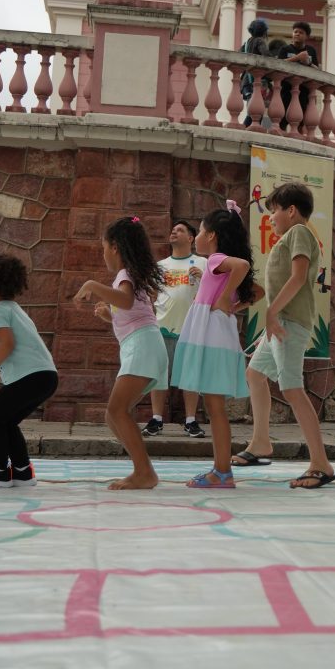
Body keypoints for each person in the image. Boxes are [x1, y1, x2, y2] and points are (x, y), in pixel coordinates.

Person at [232, 182, 335, 489]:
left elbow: (299, 276)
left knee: (292, 388)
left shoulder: (299, 233)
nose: (271, 218)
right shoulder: (291, 236)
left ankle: (321, 463)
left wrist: (272, 311)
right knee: (255, 373)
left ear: (291, 211)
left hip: (288, 322)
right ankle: (261, 443)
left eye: (275, 211)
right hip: (281, 322)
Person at [74, 216, 168, 490]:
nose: (103, 253)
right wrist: (109, 315)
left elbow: (126, 301)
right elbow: (130, 311)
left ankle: (144, 472)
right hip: (144, 346)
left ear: (114, 247)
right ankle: (142, 470)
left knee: (116, 410)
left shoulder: (125, 276)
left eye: (103, 247)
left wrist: (91, 285)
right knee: (113, 414)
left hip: (143, 347)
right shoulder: (131, 276)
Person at [171, 201, 259, 489]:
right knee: (215, 406)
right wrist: (234, 301)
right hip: (219, 334)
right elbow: (258, 291)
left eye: (201, 230)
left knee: (214, 406)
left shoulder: (213, 259)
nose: (197, 236)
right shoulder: (219, 262)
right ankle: (221, 470)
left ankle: (222, 472)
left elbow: (244, 266)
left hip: (209, 334)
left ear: (211, 235)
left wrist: (225, 298)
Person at [0, 255, 58, 489]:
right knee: (6, 420)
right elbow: (23, 353)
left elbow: (7, 345)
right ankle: (22, 471)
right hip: (45, 376)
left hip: (34, 377)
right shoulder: (16, 310)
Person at [141, 220, 207, 439]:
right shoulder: (160, 266)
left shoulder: (203, 263)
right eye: (173, 230)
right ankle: (157, 419)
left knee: (190, 376)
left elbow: (216, 291)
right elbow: (151, 293)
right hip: (162, 328)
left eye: (180, 230)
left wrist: (205, 279)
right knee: (159, 374)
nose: (174, 232)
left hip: (191, 329)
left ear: (190, 238)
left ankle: (190, 420)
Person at [278, 22, 319, 130]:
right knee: (282, 119)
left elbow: (318, 71)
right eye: (295, 32)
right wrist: (297, 58)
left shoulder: (311, 51)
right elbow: (278, 65)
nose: (297, 34)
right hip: (286, 89)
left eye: (301, 32)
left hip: (304, 91)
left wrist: (308, 63)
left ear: (307, 36)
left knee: (300, 122)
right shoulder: (285, 49)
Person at [240, 18, 271, 127]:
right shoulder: (260, 41)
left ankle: (245, 128)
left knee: (251, 108)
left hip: (245, 81)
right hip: (257, 81)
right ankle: (244, 128)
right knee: (257, 111)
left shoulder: (247, 43)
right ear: (264, 32)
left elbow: (239, 55)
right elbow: (266, 55)